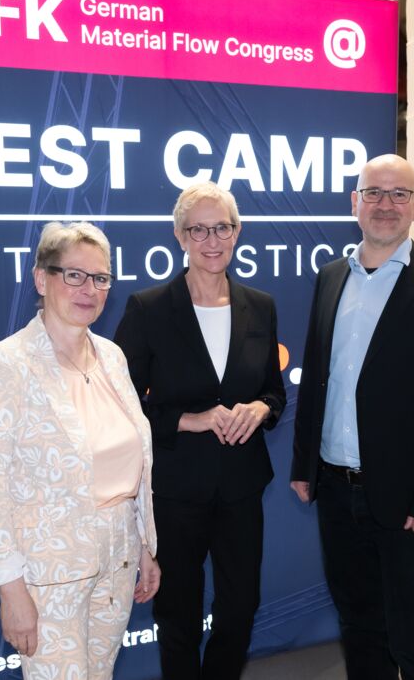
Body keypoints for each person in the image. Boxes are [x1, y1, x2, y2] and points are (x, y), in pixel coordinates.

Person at [290, 154, 414, 679]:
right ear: (355, 202)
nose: (385, 204)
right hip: (335, 490)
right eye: (374, 192)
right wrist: (305, 466)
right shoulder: (331, 277)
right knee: (360, 630)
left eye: (400, 194)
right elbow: (317, 375)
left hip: (406, 501)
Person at [0, 221, 160, 678]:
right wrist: (10, 590)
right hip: (47, 577)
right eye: (74, 275)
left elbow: (133, 463)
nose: (88, 289)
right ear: (41, 278)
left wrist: (146, 546)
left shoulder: (112, 357)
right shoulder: (6, 365)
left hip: (118, 560)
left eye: (100, 278)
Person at [114, 182, 286, 680]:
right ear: (180, 236)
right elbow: (121, 406)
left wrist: (260, 408)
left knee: (241, 608)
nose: (212, 240)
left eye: (222, 228)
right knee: (177, 615)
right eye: (199, 230)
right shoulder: (148, 308)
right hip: (176, 489)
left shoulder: (261, 305)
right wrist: (191, 420)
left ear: (237, 232)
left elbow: (274, 392)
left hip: (241, 487)